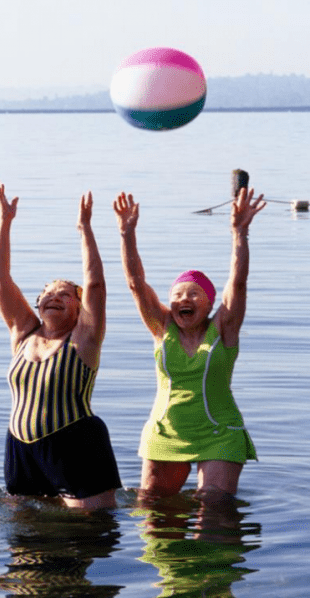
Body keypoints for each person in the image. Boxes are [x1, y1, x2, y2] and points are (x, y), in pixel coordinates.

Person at [113, 187, 266, 499]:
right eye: (178, 294)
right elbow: (135, 284)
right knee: (157, 517)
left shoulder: (224, 329)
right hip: (166, 433)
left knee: (215, 511)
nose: (184, 298)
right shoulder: (161, 328)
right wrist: (127, 233)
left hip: (219, 432)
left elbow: (237, 284)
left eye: (193, 294)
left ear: (209, 304)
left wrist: (240, 232)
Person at [0, 182, 122, 510]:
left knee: (86, 535)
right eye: (48, 292)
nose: (54, 295)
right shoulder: (23, 333)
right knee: (26, 542)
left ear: (79, 309)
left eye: (65, 293)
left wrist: (85, 229)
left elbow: (95, 284)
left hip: (76, 443)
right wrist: (4, 221)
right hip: (20, 448)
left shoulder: (84, 339)